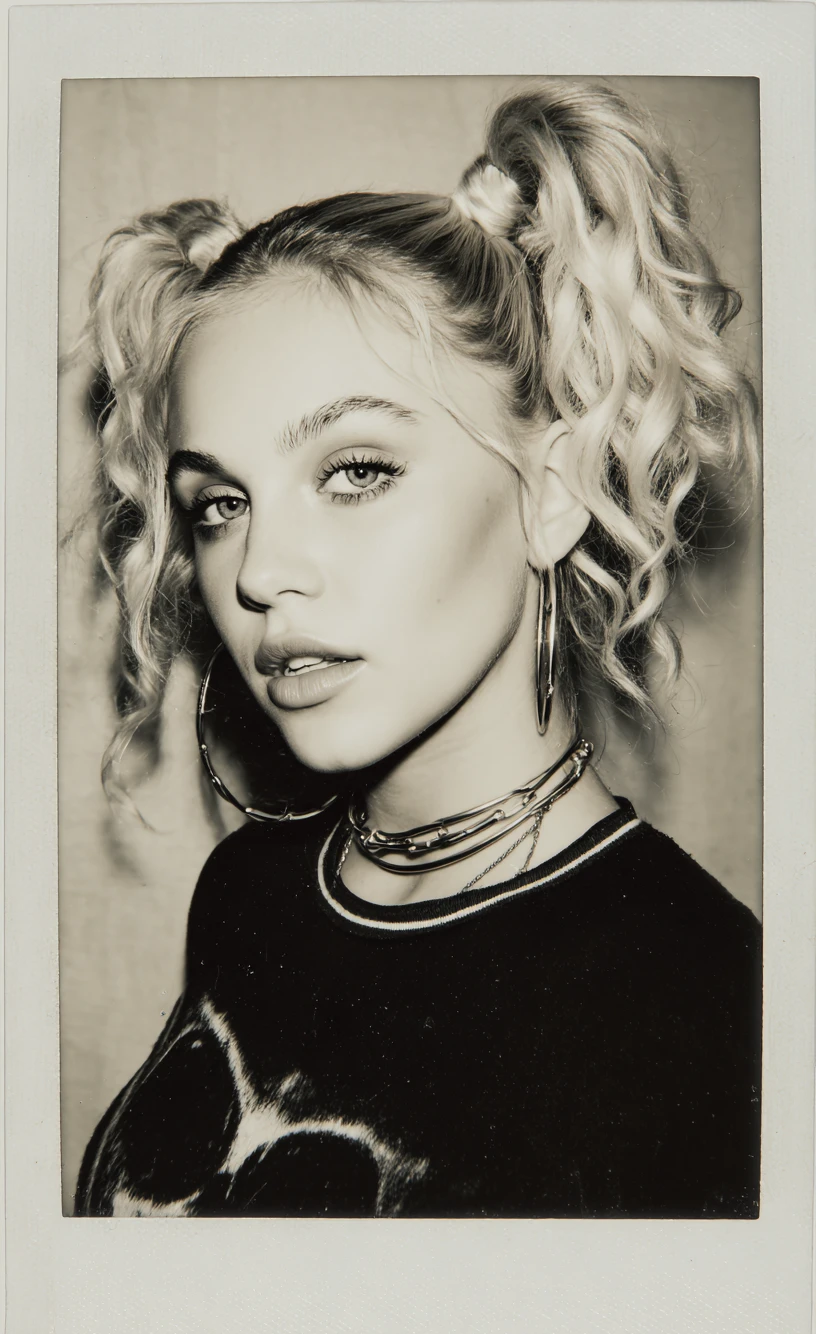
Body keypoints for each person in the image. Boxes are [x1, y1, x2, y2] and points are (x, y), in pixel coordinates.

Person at [73, 79, 761, 1219]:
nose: (258, 573)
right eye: (219, 504)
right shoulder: (248, 892)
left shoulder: (704, 1001)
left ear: (552, 491)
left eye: (355, 472)